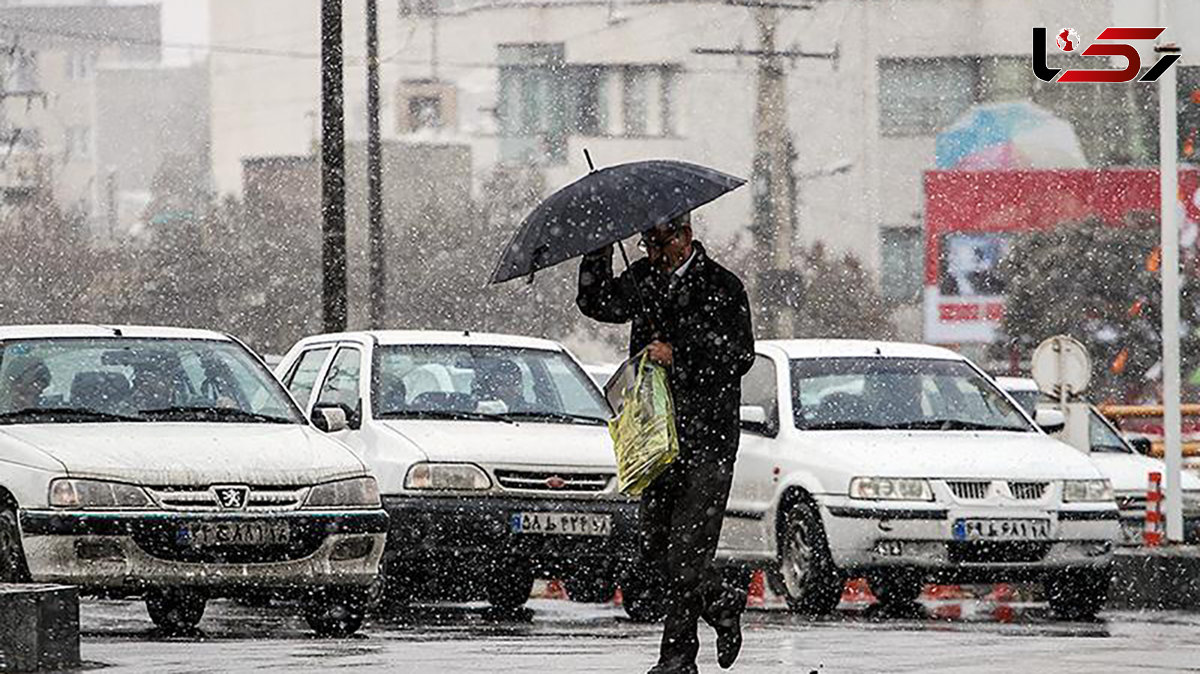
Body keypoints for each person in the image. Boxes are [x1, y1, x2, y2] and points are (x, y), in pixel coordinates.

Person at [577, 211, 755, 674]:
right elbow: (596, 301)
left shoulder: (723, 286)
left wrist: (680, 354)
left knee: (687, 551)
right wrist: (600, 243)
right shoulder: (644, 280)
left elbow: (739, 355)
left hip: (708, 439)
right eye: (645, 246)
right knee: (655, 547)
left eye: (658, 244)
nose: (652, 254)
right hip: (657, 438)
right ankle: (720, 600)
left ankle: (677, 658)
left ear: (685, 236)